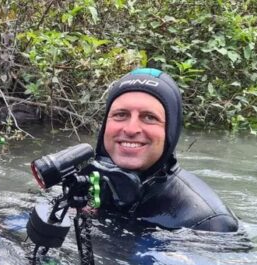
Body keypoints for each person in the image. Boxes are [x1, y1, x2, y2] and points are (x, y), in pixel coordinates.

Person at [93, 68, 239, 232]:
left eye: (149, 117)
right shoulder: (86, 184)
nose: (131, 129)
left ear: (170, 131)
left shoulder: (208, 223)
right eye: (121, 114)